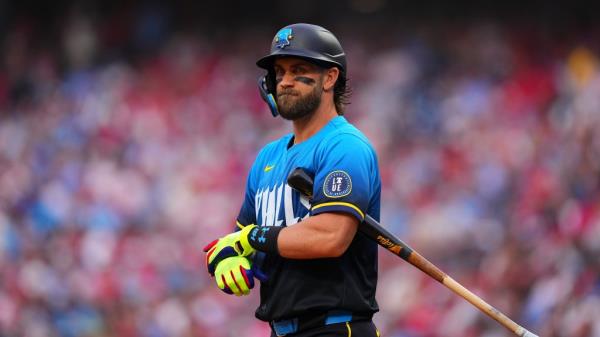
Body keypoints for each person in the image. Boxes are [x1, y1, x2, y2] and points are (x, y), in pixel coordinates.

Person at [204, 23, 382, 337]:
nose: (285, 81)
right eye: (279, 72)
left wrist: (251, 239)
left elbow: (329, 237)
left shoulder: (344, 146)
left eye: (298, 70)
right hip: (280, 330)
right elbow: (242, 237)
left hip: (336, 328)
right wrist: (225, 258)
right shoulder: (267, 158)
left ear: (330, 77)